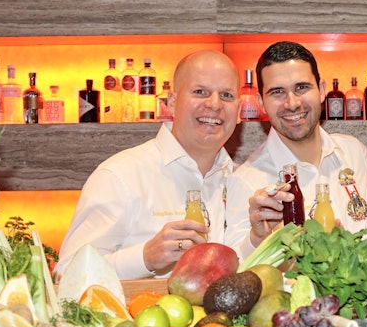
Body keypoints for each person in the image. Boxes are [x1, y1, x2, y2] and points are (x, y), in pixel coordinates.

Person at [56, 49, 240, 279]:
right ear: (172, 102)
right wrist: (145, 257)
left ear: (239, 110)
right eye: (200, 92)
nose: (214, 104)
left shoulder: (240, 181)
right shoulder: (120, 175)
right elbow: (66, 273)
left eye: (226, 95)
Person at [225, 41, 367, 255]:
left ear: (321, 90)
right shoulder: (246, 181)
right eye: (277, 92)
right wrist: (258, 240)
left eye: (301, 87)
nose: (292, 103)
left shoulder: (354, 153)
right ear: (261, 102)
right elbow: (235, 265)